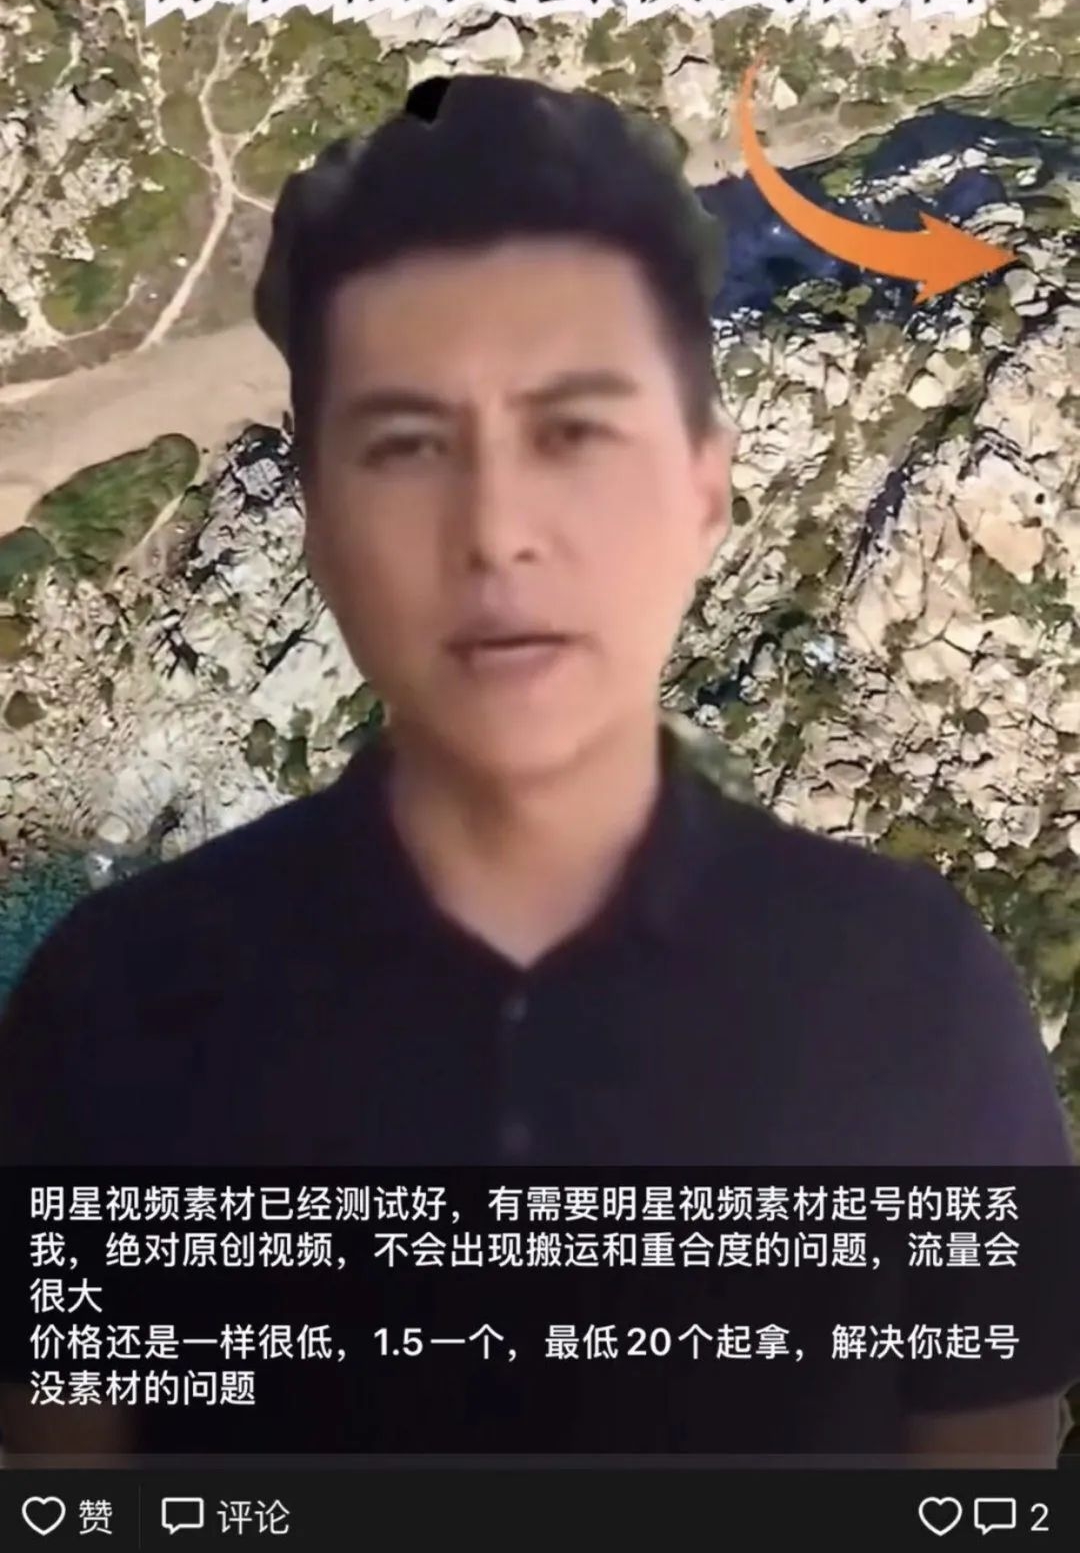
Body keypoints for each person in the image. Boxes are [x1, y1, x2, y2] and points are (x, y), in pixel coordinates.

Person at [0, 72, 1077, 1468]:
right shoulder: (116, 1002)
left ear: (704, 489)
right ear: (317, 520)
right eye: (407, 445)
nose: (498, 529)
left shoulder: (915, 995)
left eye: (574, 432)